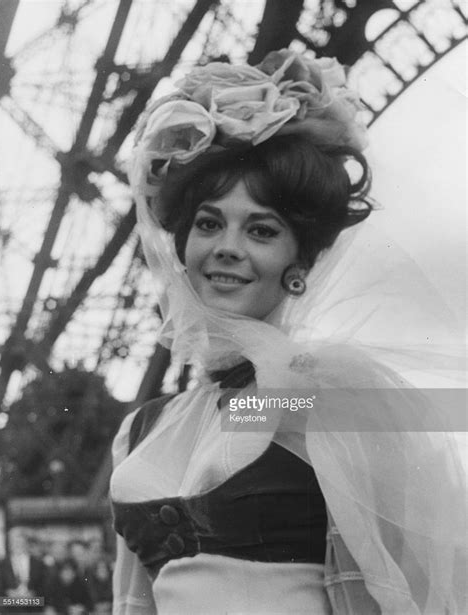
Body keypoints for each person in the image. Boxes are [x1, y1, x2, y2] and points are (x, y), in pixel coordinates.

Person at [110, 49, 466, 614]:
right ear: (180, 243)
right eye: (208, 223)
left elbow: (401, 592)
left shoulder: (319, 396)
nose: (228, 246)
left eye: (261, 230)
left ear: (298, 262)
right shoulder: (145, 430)